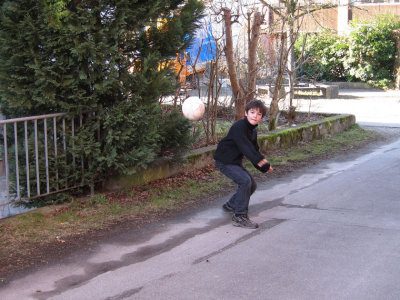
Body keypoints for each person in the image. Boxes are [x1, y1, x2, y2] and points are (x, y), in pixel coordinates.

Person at [214, 99, 273, 229]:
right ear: (246, 113)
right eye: (252, 112)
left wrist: (263, 166)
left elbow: (254, 150)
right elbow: (246, 148)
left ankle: (231, 204)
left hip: (234, 161)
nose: (255, 116)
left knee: (252, 185)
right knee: (245, 181)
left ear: (261, 118)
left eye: (259, 114)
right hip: (224, 160)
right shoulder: (239, 127)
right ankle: (239, 216)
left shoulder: (252, 131)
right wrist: (263, 164)